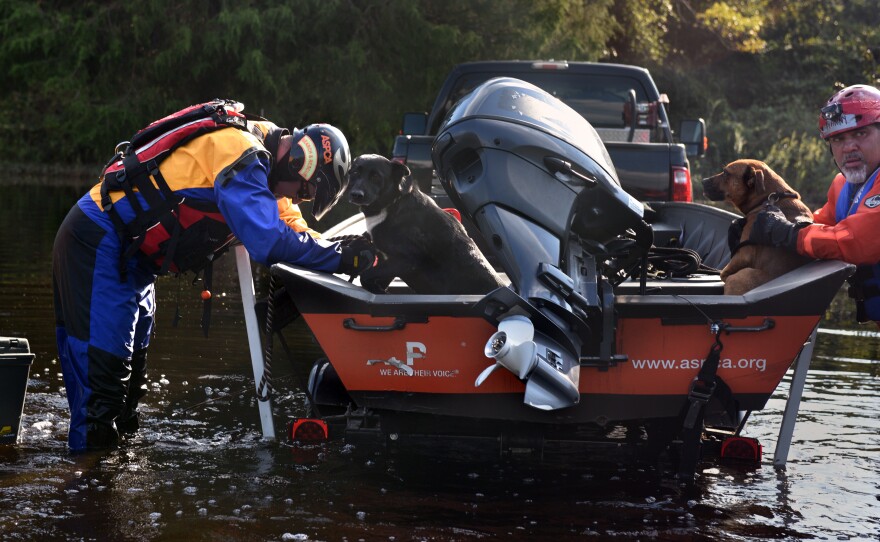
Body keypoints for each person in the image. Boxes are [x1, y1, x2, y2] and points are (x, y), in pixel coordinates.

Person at [52, 101, 376, 452]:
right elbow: (269, 242)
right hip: (98, 241)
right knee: (102, 398)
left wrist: (345, 250)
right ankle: (85, 494)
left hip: (135, 263)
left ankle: (113, 481)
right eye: (305, 191)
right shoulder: (243, 154)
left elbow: (294, 229)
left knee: (128, 400)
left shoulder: (270, 169)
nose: (296, 198)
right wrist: (340, 258)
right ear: (300, 160)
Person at [749, 84, 880, 325]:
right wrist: (754, 230)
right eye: (838, 138)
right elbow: (818, 227)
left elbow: (856, 242)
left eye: (861, 134)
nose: (848, 147)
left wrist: (789, 234)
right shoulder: (843, 185)